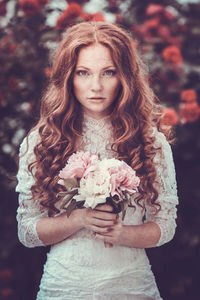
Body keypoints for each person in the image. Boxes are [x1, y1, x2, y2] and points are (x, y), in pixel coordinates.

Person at [16, 21, 178, 300]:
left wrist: (121, 233)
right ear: (68, 77)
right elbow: (28, 230)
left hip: (131, 286)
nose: (96, 86)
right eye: (83, 73)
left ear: (124, 77)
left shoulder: (151, 142)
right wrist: (80, 218)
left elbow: (165, 226)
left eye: (108, 72)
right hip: (64, 285)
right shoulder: (42, 142)